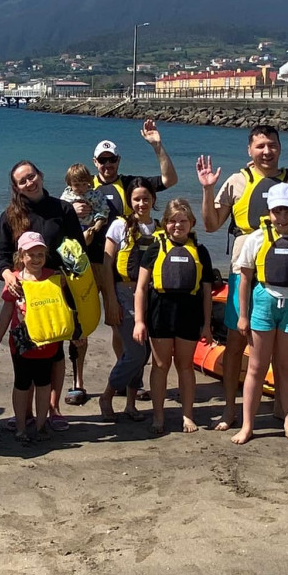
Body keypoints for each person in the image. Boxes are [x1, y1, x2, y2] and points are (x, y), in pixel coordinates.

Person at [196, 124, 288, 432]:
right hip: (245, 273)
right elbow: (212, 224)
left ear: (280, 148)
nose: (266, 151)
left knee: (283, 347)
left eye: (272, 145)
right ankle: (231, 409)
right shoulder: (236, 181)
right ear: (249, 150)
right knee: (235, 342)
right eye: (260, 146)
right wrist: (206, 189)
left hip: (284, 276)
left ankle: (283, 410)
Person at [88, 121, 179, 402]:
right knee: (111, 330)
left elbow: (169, 180)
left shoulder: (130, 184)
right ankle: (98, 381)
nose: (107, 165)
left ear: (118, 161)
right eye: (102, 161)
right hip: (99, 266)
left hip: (133, 274)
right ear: (95, 162)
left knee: (129, 336)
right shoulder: (84, 188)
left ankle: (130, 382)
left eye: (111, 159)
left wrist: (157, 145)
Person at [0, 161, 85, 431]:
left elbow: (78, 250)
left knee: (54, 356)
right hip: (25, 291)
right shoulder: (10, 215)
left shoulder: (63, 209)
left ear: (40, 176)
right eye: (22, 181)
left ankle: (52, 410)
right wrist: (8, 276)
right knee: (26, 359)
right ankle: (26, 414)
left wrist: (79, 291)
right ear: (16, 187)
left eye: (31, 176)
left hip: (58, 288)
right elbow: (0, 256)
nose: (29, 183)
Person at [230, 183, 288, 446]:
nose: (282, 218)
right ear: (269, 212)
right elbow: (245, 279)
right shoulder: (257, 239)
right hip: (263, 303)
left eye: (287, 211)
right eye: (276, 211)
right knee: (257, 368)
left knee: (287, 367)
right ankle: (248, 425)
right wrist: (243, 315)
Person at [133, 198, 213, 434]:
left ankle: (187, 415)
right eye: (173, 221)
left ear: (191, 223)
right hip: (160, 313)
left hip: (189, 313)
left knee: (185, 366)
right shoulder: (155, 248)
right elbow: (141, 287)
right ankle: (158, 415)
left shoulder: (200, 251)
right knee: (160, 365)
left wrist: (207, 325)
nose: (178, 226)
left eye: (183, 221)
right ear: (165, 223)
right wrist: (139, 321)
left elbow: (207, 291)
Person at [0, 232, 77, 442]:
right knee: (21, 383)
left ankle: (40, 425)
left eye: (40, 254)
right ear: (21, 256)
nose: (36, 259)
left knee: (44, 383)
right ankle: (21, 426)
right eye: (31, 254)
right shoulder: (15, 281)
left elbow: (66, 307)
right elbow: (7, 310)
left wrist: (76, 332)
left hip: (48, 340)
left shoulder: (54, 278)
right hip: (22, 341)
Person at [98, 178, 160, 421]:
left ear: (153, 199)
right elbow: (106, 264)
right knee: (134, 351)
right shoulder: (119, 226)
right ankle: (108, 394)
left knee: (143, 354)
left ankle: (131, 405)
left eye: (146, 198)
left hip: (151, 295)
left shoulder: (160, 227)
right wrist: (110, 300)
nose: (141, 203)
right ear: (129, 200)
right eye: (136, 199)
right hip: (123, 294)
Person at [58, 162, 110, 404]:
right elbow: (57, 221)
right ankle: (66, 379)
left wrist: (94, 227)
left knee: (83, 316)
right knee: (66, 315)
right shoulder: (65, 198)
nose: (79, 187)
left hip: (91, 258)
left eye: (83, 183)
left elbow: (104, 212)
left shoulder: (95, 195)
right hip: (69, 258)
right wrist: (71, 210)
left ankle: (78, 380)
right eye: (75, 184)